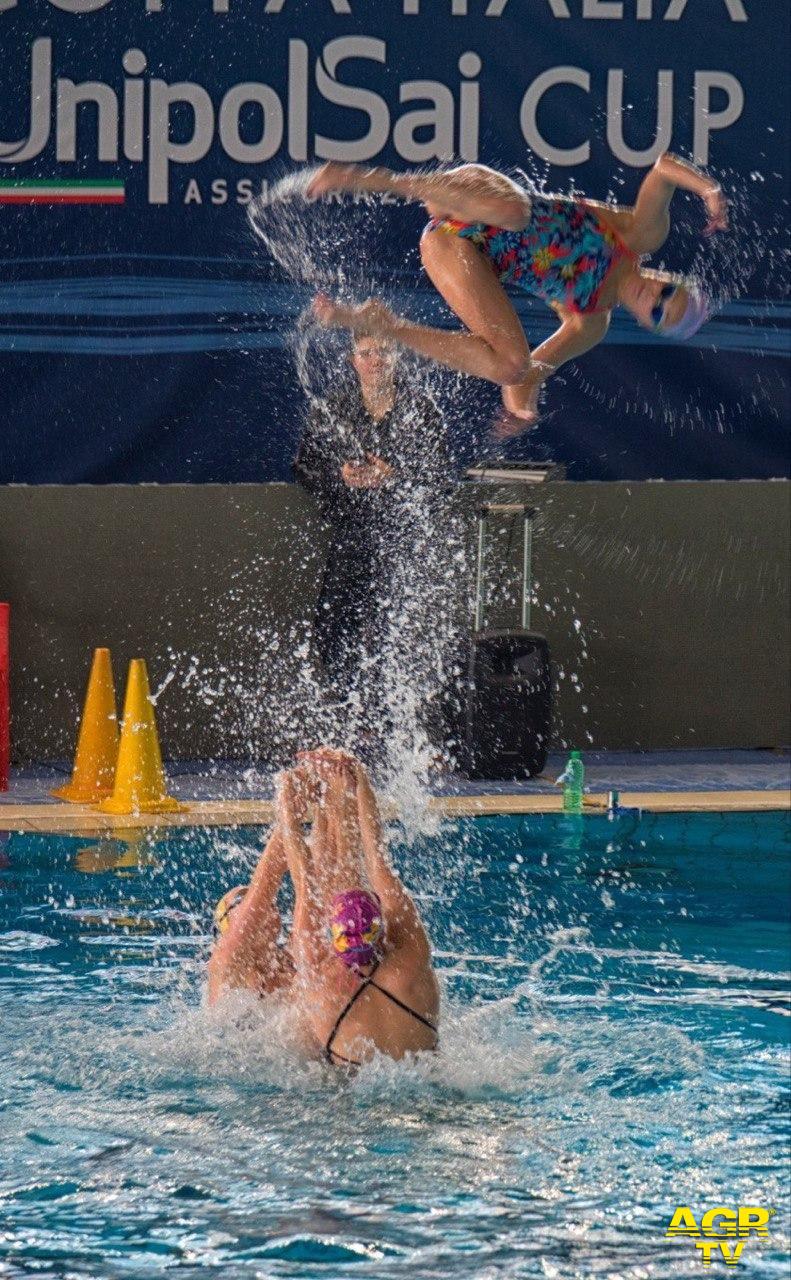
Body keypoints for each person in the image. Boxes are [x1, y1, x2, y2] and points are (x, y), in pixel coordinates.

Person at [299, 153, 728, 436]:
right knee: (517, 213)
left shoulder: (591, 321)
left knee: (510, 364)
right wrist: (708, 188)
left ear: (644, 323)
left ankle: (385, 326)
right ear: (667, 275)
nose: (652, 295)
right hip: (475, 196)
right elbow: (663, 168)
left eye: (657, 311)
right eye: (667, 291)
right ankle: (369, 179)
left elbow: (531, 373)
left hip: (453, 247)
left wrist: (521, 409)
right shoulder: (641, 235)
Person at [206, 749, 440, 1068]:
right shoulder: (227, 965)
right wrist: (347, 792)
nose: (256, 905)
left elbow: (308, 890)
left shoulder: (317, 980)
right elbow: (366, 870)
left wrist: (304, 806)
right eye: (240, 902)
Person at [293, 333, 453, 752]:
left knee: (391, 632)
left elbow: (440, 478)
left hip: (400, 536)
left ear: (397, 358)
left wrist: (395, 477)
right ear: (353, 361)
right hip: (352, 532)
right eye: (367, 353)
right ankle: (348, 713)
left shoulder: (420, 410)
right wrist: (341, 477)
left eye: (384, 351)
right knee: (332, 629)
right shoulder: (336, 408)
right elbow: (305, 468)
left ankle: (390, 722)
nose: (376, 359)